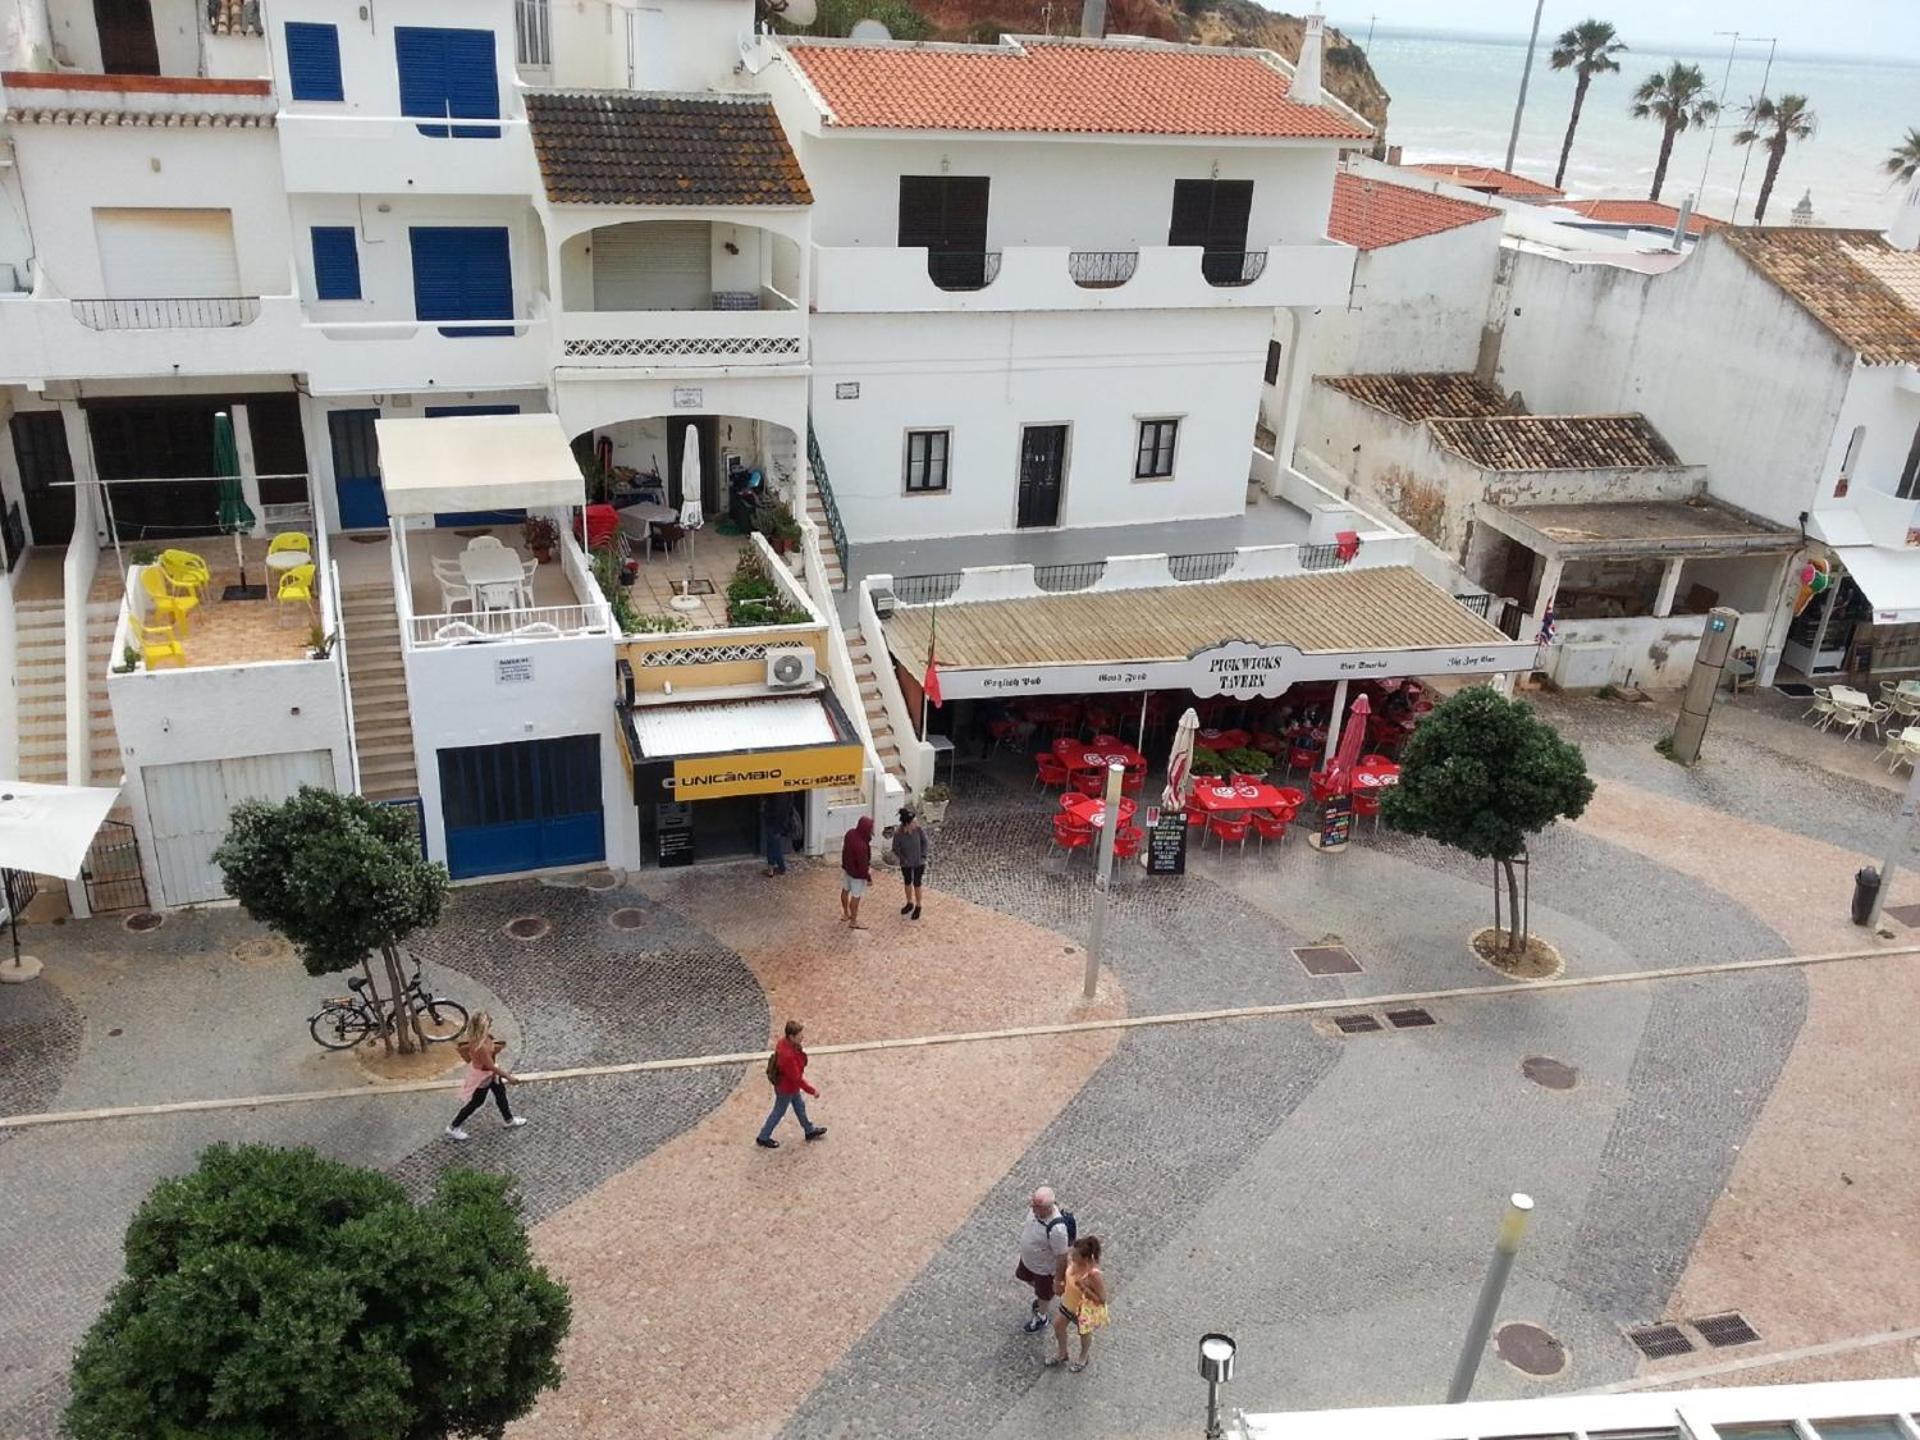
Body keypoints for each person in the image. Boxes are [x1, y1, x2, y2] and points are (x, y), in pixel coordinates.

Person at [446, 1012, 527, 1142]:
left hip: (490, 1075)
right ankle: (453, 1126)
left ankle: (508, 1119)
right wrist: (509, 1077)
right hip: (483, 1077)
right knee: (477, 1102)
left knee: (500, 1094)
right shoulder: (480, 1046)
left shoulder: (485, 1037)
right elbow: (491, 1066)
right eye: (489, 1022)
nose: (491, 1023)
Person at [756, 1019, 826, 1149]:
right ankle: (763, 1137)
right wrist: (812, 1091)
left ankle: (809, 1130)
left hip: (788, 1087)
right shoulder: (788, 1056)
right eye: (799, 1035)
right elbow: (797, 1079)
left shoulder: (783, 1044)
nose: (802, 1037)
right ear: (791, 1037)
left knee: (800, 1107)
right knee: (778, 1112)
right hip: (787, 1088)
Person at [1014, 1186, 1073, 1333]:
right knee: (1024, 1277)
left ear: (1048, 1208)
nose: (1032, 1208)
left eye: (1037, 1206)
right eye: (1032, 1203)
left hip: (1044, 1269)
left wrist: (1058, 1280)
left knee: (1042, 1295)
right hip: (1029, 1261)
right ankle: (1046, 1296)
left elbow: (1062, 1255)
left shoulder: (1057, 1230)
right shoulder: (1036, 1212)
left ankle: (1042, 1315)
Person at [1047, 1236, 1109, 1373]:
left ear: (1085, 1258)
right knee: (1058, 1326)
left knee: (1084, 1334)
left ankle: (1083, 1357)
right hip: (1068, 1304)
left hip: (1083, 1311)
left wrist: (1084, 1288)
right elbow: (1067, 1274)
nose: (1071, 1255)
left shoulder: (1093, 1275)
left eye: (1075, 1254)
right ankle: (1062, 1353)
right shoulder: (1074, 1263)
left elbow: (1102, 1299)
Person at [891, 807, 930, 920]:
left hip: (919, 861)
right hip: (906, 863)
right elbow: (896, 848)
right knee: (907, 882)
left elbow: (925, 842)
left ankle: (918, 905)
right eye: (912, 821)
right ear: (907, 824)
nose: (915, 822)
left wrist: (923, 855)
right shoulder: (898, 834)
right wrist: (903, 858)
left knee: (917, 883)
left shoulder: (918, 829)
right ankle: (909, 902)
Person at [840, 815, 873, 929]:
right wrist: (868, 878)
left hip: (847, 869)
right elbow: (863, 865)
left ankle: (845, 914)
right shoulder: (862, 846)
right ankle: (853, 921)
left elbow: (844, 850)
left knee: (845, 890)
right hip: (857, 875)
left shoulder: (850, 834)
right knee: (856, 896)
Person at [762, 793, 799, 877]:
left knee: (772, 842)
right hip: (781, 818)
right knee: (774, 841)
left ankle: (773, 867)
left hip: (774, 818)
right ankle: (778, 866)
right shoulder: (788, 792)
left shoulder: (775, 791)